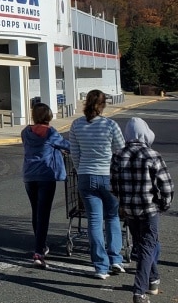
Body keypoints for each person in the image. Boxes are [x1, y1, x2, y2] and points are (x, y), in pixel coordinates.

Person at [111, 117, 173, 303]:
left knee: (143, 245)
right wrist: (164, 204)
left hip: (129, 209)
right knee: (147, 247)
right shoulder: (152, 155)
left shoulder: (118, 155)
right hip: (149, 209)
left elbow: (114, 184)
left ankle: (152, 280)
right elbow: (167, 186)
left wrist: (122, 201)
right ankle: (139, 291)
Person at [69, 89, 126, 279]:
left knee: (94, 220)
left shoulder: (76, 125)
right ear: (103, 105)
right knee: (112, 217)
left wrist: (80, 169)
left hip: (86, 175)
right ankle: (115, 259)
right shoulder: (110, 125)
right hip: (107, 175)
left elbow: (74, 153)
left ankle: (100, 266)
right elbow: (121, 151)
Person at [21, 102, 69, 269]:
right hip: (46, 176)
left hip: (29, 175)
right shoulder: (51, 133)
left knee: (36, 211)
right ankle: (38, 251)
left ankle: (40, 245)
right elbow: (66, 145)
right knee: (44, 214)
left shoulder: (25, 132)